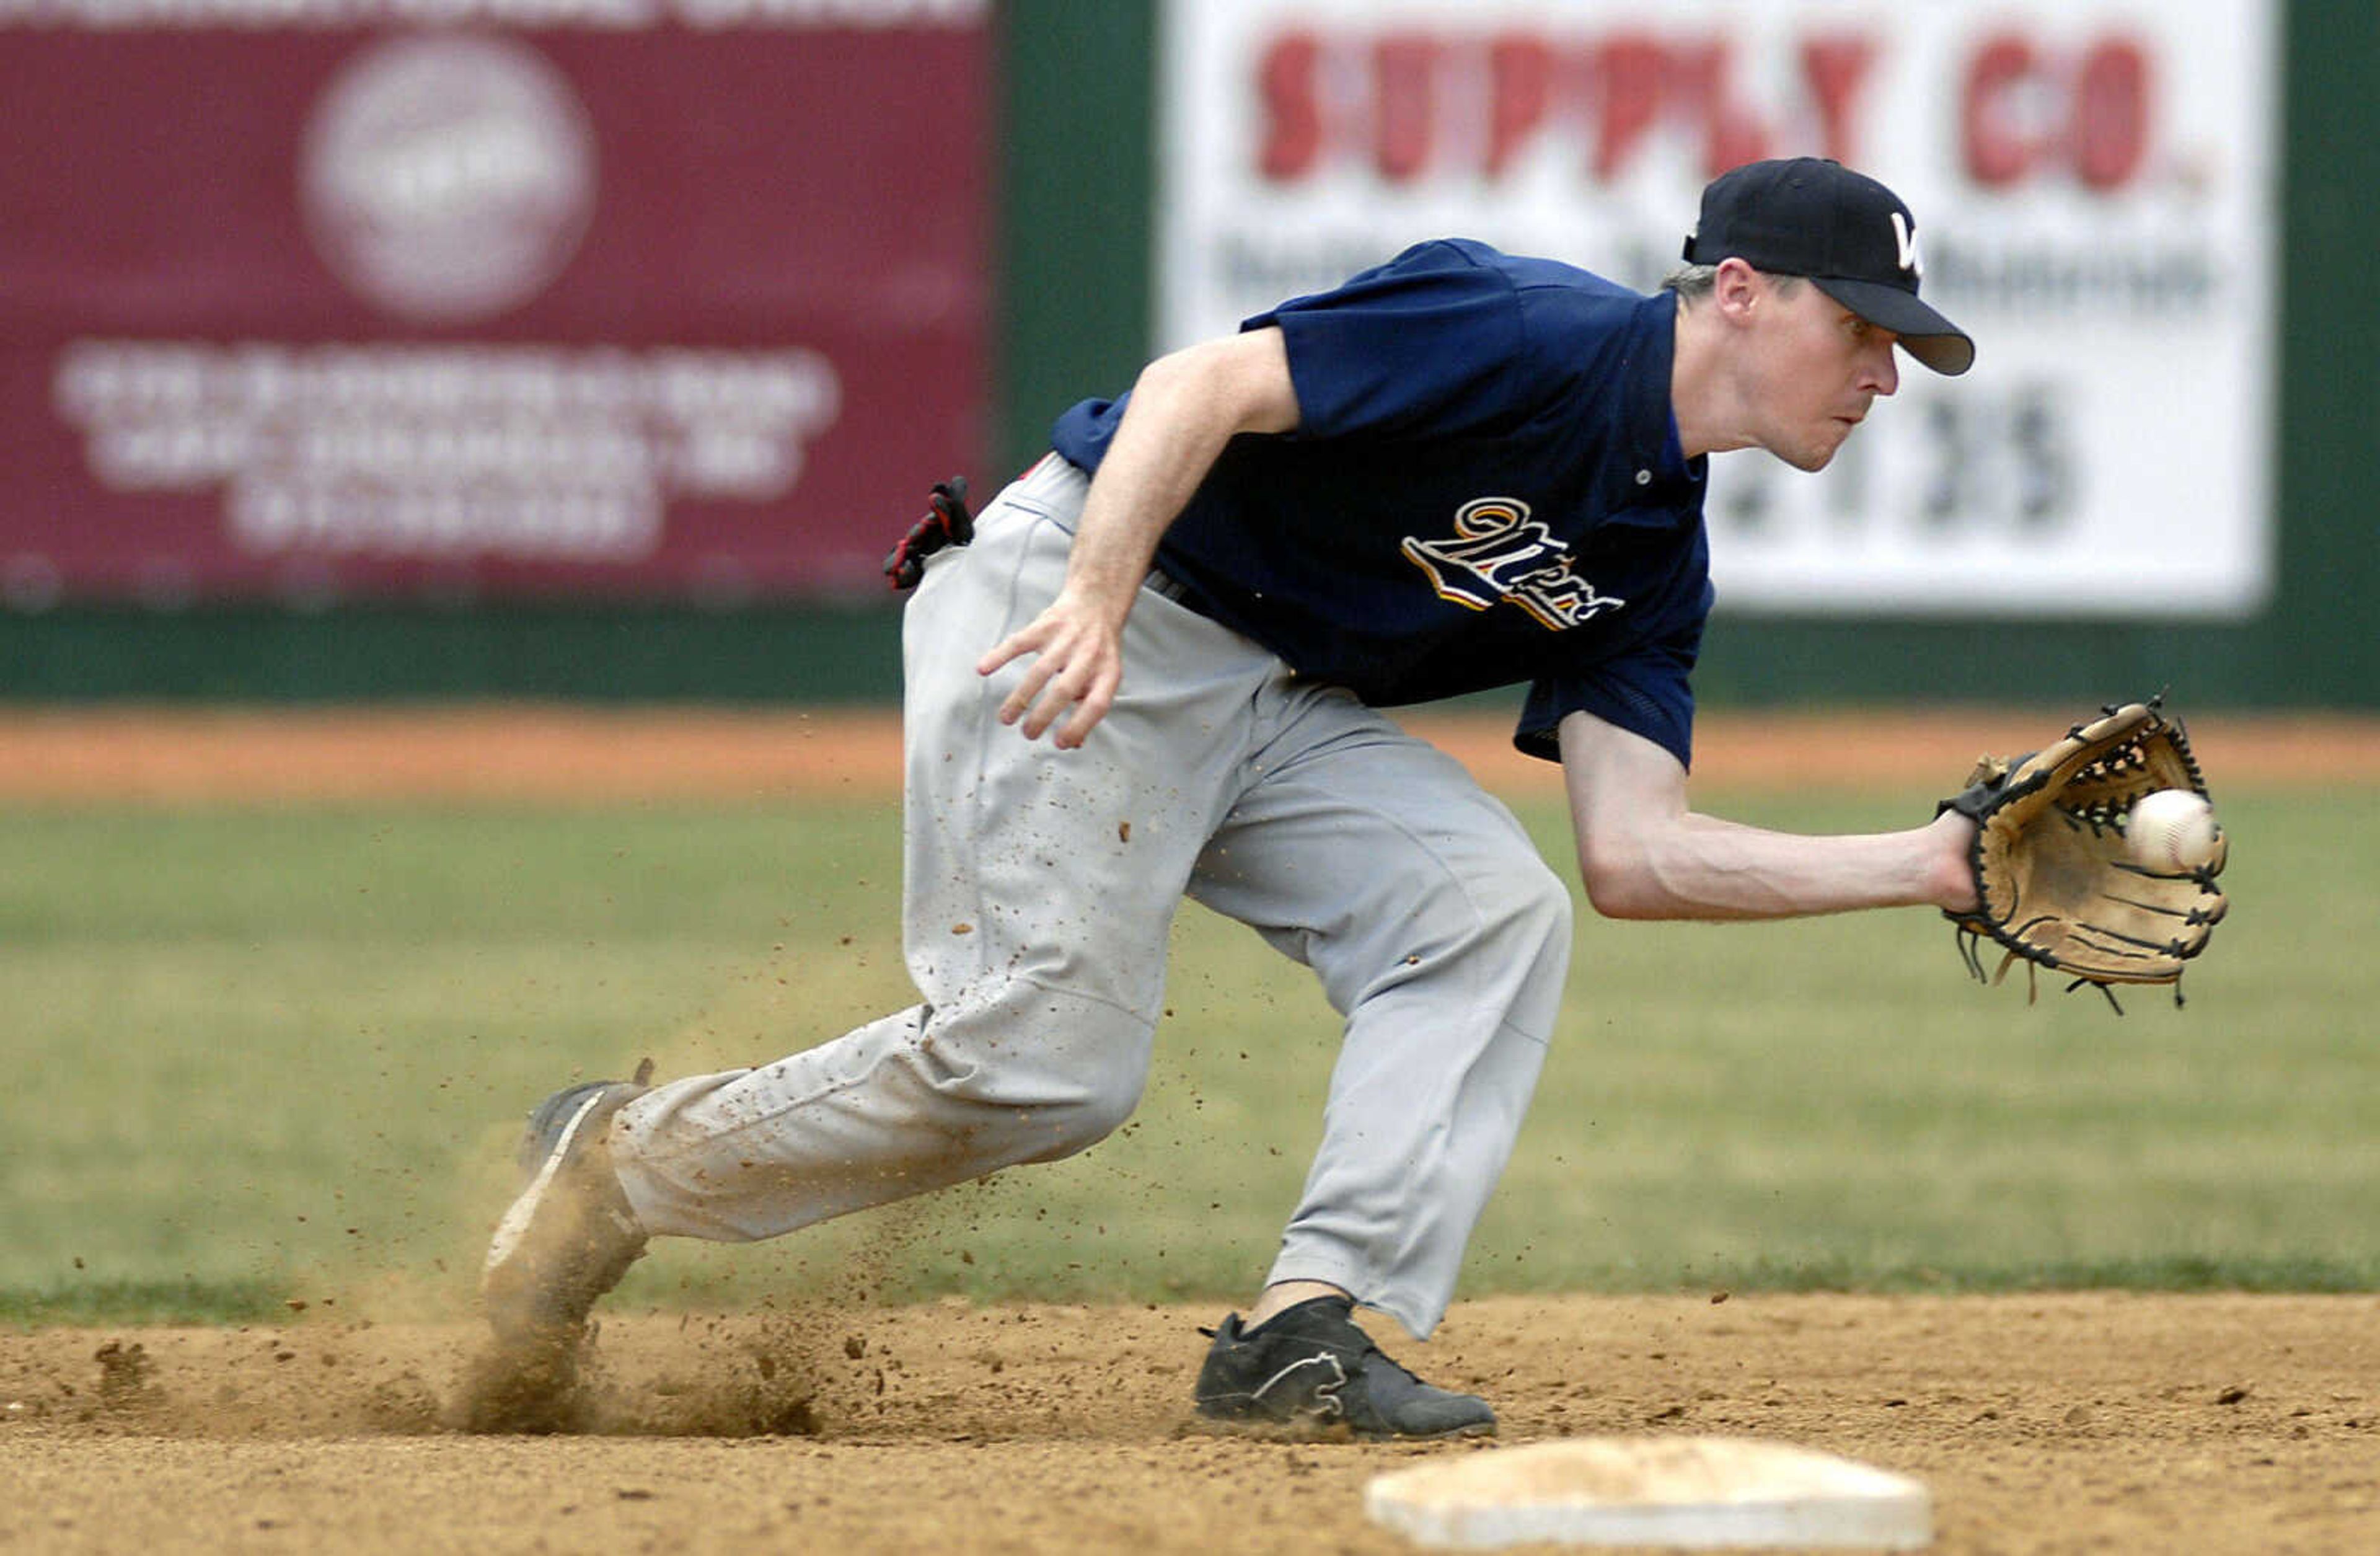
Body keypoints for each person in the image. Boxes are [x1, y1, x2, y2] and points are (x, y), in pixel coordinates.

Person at [477, 157, 1983, 1438]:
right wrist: (1090, 595)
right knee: (1055, 1067)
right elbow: (1200, 383)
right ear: (1738, 292)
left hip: (1270, 701)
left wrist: (1926, 865)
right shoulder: (1527, 328)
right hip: (1091, 600)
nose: (1879, 375)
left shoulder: (1656, 558)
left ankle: (1303, 1329)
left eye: (1898, 350)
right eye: (1860, 328)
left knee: (1485, 908)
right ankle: (621, 1160)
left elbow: (1635, 854)